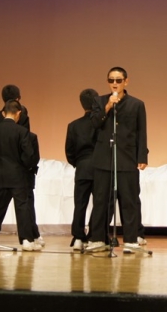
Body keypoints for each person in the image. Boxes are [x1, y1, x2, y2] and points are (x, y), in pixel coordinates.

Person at [85, 67, 148, 254]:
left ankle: (131, 240)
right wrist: (107, 107)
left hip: (127, 158)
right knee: (101, 200)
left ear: (126, 81)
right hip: (104, 158)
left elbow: (141, 132)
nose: (114, 83)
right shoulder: (99, 101)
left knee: (129, 201)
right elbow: (94, 124)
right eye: (111, 80)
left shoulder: (137, 104)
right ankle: (97, 239)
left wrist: (142, 156)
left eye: (118, 80)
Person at [0, 84, 42, 247]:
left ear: (4, 112)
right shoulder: (22, 130)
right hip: (18, 174)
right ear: (18, 112)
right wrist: (24, 166)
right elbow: (27, 153)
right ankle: (27, 240)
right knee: (23, 205)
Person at [65, 88, 99, 251]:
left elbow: (69, 151)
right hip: (100, 168)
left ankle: (78, 237)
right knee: (100, 204)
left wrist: (79, 163)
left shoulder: (73, 125)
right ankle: (94, 236)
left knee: (80, 204)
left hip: (82, 168)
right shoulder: (102, 124)